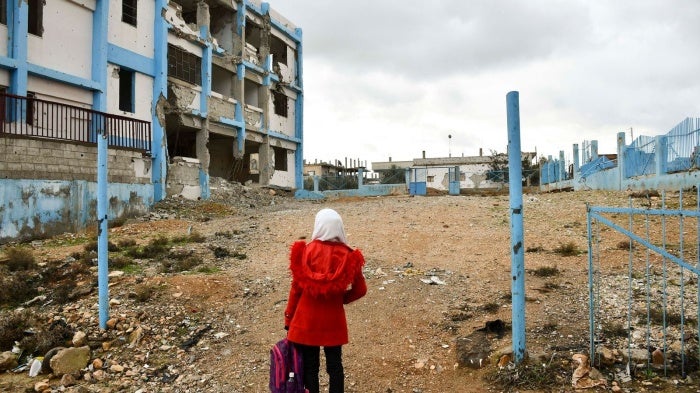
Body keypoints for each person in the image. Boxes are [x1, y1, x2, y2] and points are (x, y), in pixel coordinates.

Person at [284, 208, 367, 393]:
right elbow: (361, 290)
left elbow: (296, 290)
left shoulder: (305, 252)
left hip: (306, 321)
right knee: (335, 366)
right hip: (333, 321)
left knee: (310, 367)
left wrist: (289, 318)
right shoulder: (349, 256)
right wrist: (341, 299)